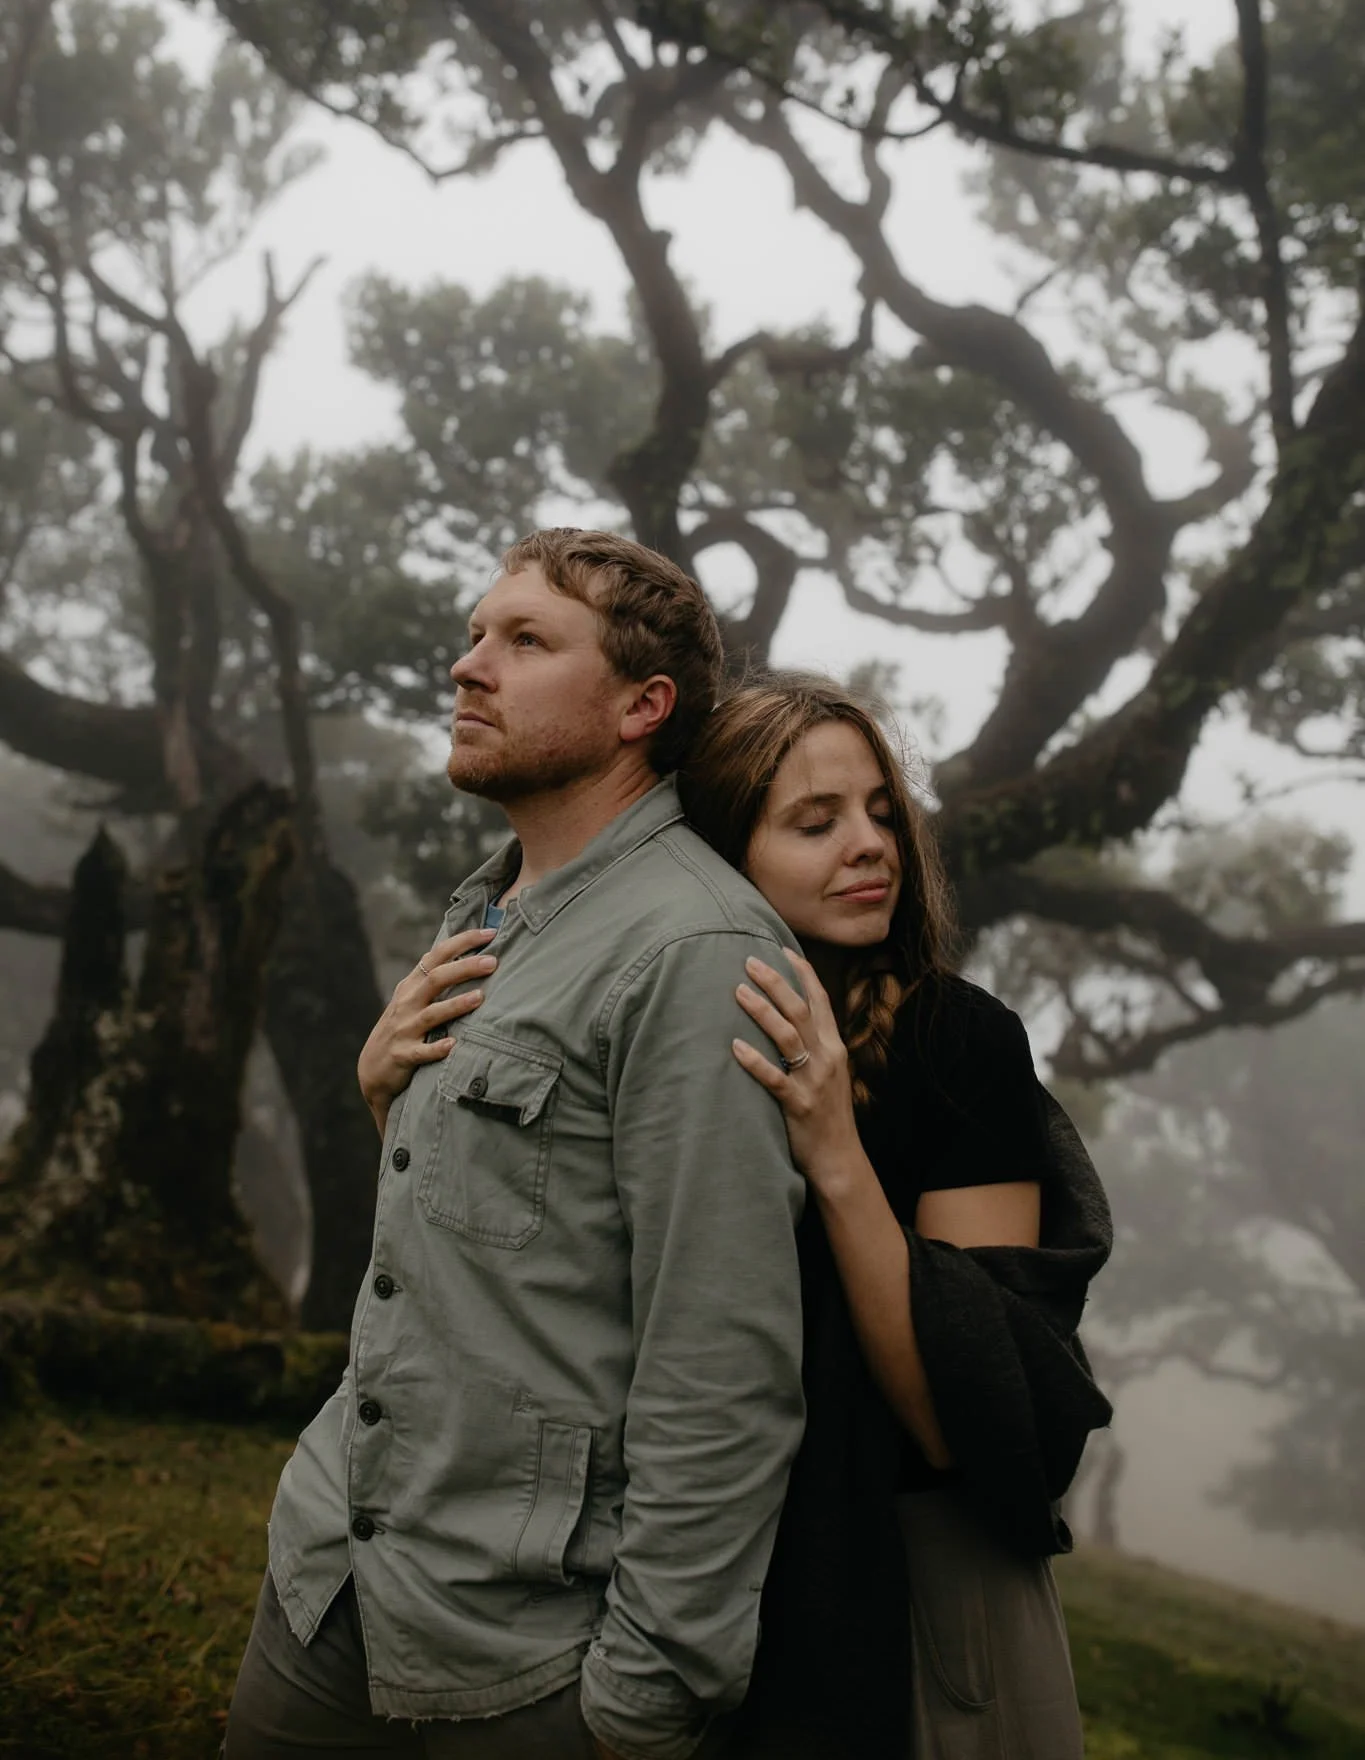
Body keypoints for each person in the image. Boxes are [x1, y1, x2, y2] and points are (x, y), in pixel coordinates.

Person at [224, 530, 807, 1760]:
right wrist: (382, 1097)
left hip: (521, 1649)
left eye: (526, 640)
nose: (468, 664)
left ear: (643, 705)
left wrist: (644, 1693)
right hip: (330, 1574)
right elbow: (488, 1239)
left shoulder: (696, 953)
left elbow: (723, 1359)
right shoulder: (487, 909)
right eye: (475, 632)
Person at [676, 674, 1113, 1760]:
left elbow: (956, 1415)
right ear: (723, 858)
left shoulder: (958, 1042)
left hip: (927, 1590)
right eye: (815, 821)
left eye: (881, 810)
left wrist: (835, 1152)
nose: (871, 843)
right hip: (704, 1564)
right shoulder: (676, 1033)